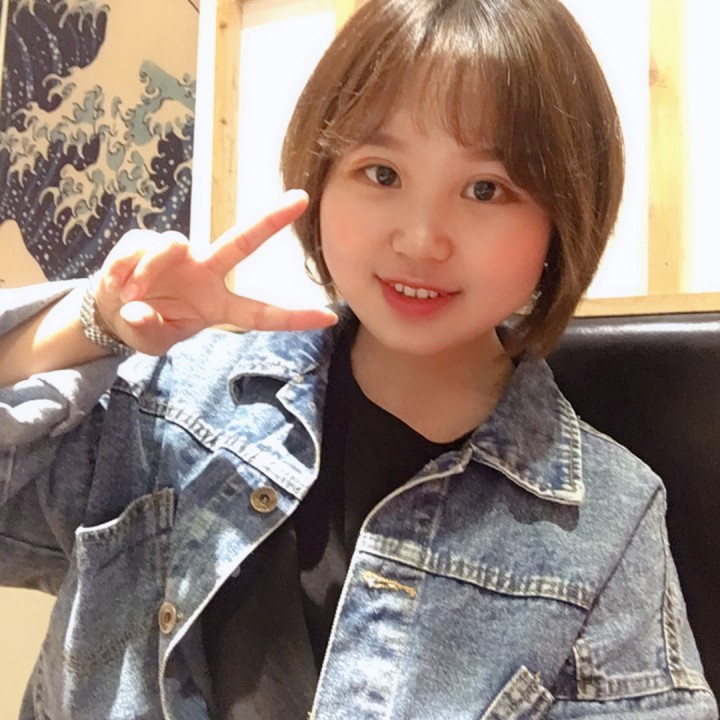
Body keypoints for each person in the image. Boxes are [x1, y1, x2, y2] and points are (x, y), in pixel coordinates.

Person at [0, 0, 717, 717]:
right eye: (381, 173)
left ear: (562, 216)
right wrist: (91, 321)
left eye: (486, 189)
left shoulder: (609, 523)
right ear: (322, 178)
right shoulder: (169, 404)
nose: (421, 239)